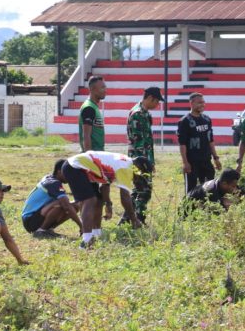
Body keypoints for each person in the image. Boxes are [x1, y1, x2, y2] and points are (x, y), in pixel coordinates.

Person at [61, 151, 153, 248]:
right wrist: (134, 219)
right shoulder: (126, 167)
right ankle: (86, 240)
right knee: (90, 200)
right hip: (75, 167)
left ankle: (97, 235)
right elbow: (125, 197)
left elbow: (104, 186)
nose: (138, 179)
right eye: (140, 175)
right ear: (138, 167)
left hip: (83, 168)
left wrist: (108, 204)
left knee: (98, 200)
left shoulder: (123, 163)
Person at [124, 86, 163, 224]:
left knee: (139, 190)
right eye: (157, 101)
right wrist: (145, 163)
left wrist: (151, 161)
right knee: (144, 191)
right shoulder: (137, 114)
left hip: (146, 158)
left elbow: (148, 141)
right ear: (150, 98)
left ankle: (127, 218)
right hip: (139, 159)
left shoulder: (146, 114)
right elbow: (138, 142)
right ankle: (138, 218)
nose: (157, 105)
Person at [78, 75, 111, 221]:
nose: (105, 90)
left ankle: (96, 226)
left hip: (99, 156)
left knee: (97, 195)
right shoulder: (89, 108)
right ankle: (86, 228)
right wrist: (90, 160)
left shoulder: (94, 107)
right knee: (90, 197)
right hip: (93, 158)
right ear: (92, 89)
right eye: (102, 87)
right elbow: (86, 136)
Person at [21, 159, 82, 238]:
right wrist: (82, 226)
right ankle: (41, 231)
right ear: (59, 171)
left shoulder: (50, 178)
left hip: (36, 216)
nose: (71, 176)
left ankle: (48, 229)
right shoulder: (53, 183)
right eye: (68, 173)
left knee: (75, 205)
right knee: (62, 204)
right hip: (30, 220)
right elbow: (66, 206)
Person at [177, 93, 222, 194]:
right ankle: (187, 209)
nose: (202, 105)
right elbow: (182, 144)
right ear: (191, 103)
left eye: (203, 102)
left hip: (206, 161)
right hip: (192, 162)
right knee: (190, 191)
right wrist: (185, 162)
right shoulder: (184, 121)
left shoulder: (206, 119)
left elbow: (210, 140)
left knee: (209, 189)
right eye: (199, 102)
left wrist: (216, 158)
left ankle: (206, 209)